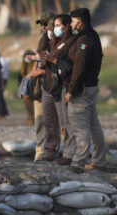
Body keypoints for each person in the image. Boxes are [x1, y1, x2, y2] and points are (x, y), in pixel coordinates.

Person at [66, 8, 106, 170]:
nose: (71, 24)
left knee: (80, 126)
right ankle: (99, 161)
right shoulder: (93, 35)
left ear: (80, 22)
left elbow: (79, 67)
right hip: (91, 87)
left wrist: (71, 89)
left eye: (73, 21)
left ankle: (78, 162)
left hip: (81, 89)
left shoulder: (85, 39)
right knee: (93, 125)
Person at [42, 14, 77, 164]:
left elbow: (68, 65)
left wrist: (52, 59)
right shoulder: (55, 41)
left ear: (67, 25)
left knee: (66, 122)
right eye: (54, 25)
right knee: (53, 122)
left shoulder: (71, 41)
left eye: (57, 25)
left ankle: (70, 154)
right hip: (53, 86)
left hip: (64, 86)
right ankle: (60, 153)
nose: (55, 29)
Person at [27, 11, 55, 162]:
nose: (43, 27)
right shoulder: (43, 40)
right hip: (40, 87)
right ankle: (40, 153)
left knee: (51, 122)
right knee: (40, 122)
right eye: (41, 24)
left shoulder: (58, 41)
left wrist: (39, 71)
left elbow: (55, 65)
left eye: (45, 23)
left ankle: (50, 153)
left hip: (52, 86)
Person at [18, 50, 36, 126]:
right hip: (26, 90)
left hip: (35, 88)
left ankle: (36, 121)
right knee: (28, 107)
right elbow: (19, 81)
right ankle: (31, 120)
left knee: (36, 107)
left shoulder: (35, 65)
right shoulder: (22, 67)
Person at [0, 51, 9, 120]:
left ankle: (0, 113)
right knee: (0, 97)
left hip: (1, 80)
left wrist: (2, 83)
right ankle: (5, 112)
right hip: (4, 79)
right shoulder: (4, 60)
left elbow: (1, 72)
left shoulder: (1, 61)